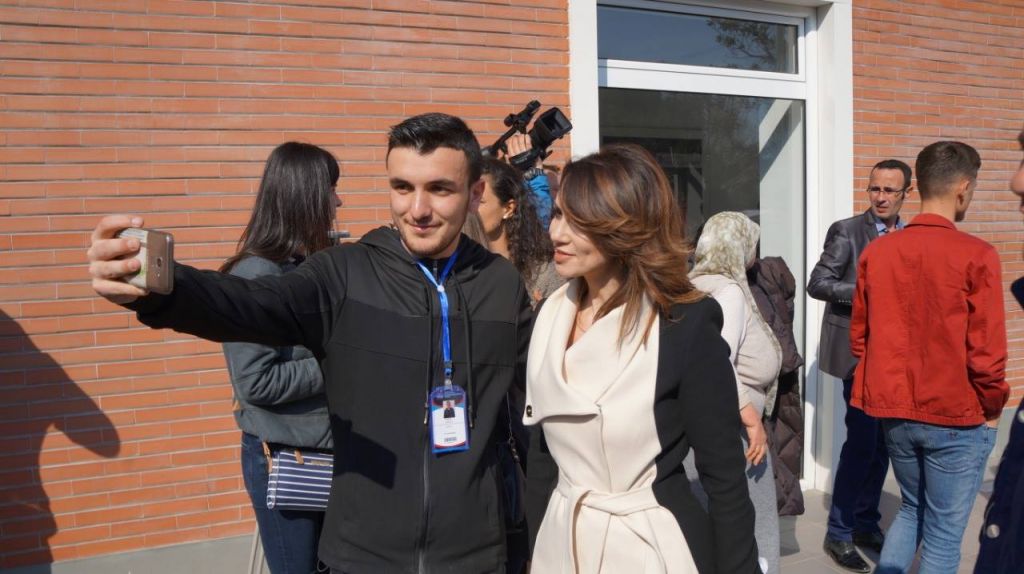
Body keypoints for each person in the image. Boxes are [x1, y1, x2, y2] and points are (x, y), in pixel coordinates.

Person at [87, 113, 533, 573]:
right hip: (361, 556)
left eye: (439, 189)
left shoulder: (501, 285)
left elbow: (527, 417)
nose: (417, 209)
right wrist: (162, 289)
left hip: (476, 557)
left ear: (475, 193)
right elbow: (250, 303)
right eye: (402, 187)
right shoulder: (344, 274)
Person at [524, 144, 759, 573]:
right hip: (559, 544)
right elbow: (542, 458)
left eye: (578, 221)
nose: (556, 233)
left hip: (650, 547)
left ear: (624, 227)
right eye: (557, 214)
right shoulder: (548, 316)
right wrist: (533, 546)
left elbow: (724, 478)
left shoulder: (683, 324)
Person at [852, 141, 1009, 573]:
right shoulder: (977, 255)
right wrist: (993, 405)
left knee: (911, 509)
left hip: (896, 412)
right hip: (956, 414)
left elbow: (860, 338)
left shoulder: (877, 251)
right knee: (942, 535)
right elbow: (987, 352)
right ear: (964, 188)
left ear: (916, 185)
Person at [219, 142, 339, 574]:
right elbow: (255, 382)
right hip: (288, 461)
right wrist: (334, 362)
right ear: (306, 196)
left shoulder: (305, 266)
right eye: (330, 190)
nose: (338, 202)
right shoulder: (256, 274)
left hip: (323, 453)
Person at [808, 159, 912, 572]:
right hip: (859, 358)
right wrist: (868, 290)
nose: (881, 197)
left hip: (897, 359)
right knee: (862, 443)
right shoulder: (847, 231)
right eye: (875, 189)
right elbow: (819, 283)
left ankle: (866, 521)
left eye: (889, 190)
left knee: (885, 445)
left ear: (906, 194)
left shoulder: (909, 235)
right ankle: (839, 531)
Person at [688, 211, 783, 574]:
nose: (754, 256)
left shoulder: (692, 283)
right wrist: (752, 420)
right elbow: (718, 359)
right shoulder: (726, 290)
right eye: (751, 245)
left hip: (714, 417)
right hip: (737, 423)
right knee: (753, 511)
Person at [973, 127, 1024, 574]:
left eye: (891, 189)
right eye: (875, 188)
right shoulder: (859, 238)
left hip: (957, 409)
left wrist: (990, 405)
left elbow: (985, 339)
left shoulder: (977, 254)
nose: (1015, 182)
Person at [477, 157, 562, 303]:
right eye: (466, 199)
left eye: (479, 201)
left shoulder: (540, 274)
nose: (468, 208)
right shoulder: (457, 267)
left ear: (508, 208)